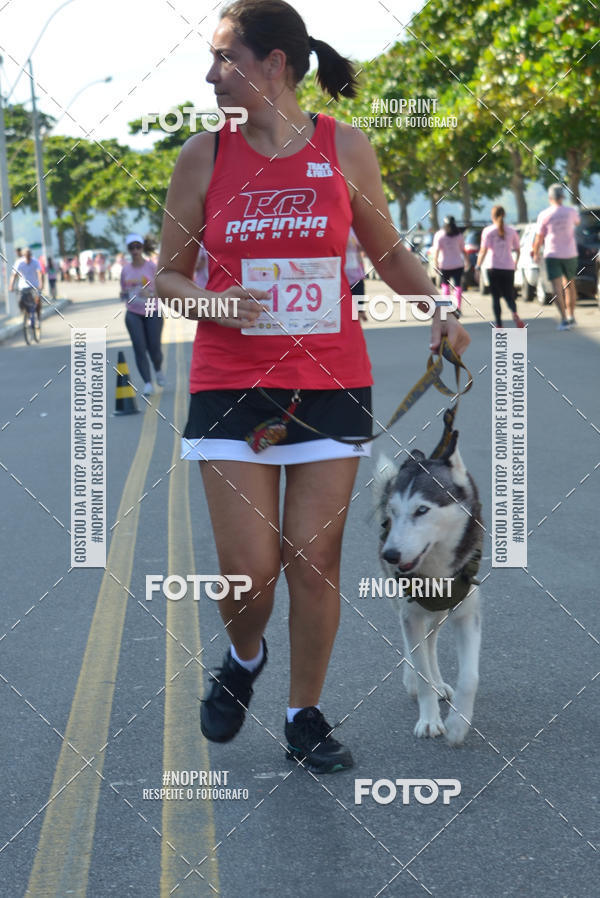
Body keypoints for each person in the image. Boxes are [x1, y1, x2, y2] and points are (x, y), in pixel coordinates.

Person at [155, 0, 470, 774]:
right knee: (248, 570)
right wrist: (214, 303)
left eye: (225, 57)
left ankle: (303, 715)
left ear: (275, 65)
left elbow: (388, 252)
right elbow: (168, 276)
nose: (210, 72)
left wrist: (439, 307)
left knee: (315, 560)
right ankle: (245, 655)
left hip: (330, 384)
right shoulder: (203, 156)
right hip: (230, 386)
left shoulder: (344, 148)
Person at [120, 233, 165, 395]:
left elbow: (162, 290)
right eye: (132, 247)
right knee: (139, 348)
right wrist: (123, 294)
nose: (135, 250)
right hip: (133, 313)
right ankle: (147, 382)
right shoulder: (125, 270)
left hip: (152, 311)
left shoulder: (151, 267)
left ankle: (158, 369)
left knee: (155, 349)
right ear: (128, 250)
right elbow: (123, 291)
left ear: (142, 248)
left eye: (138, 246)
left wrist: (151, 295)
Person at [532, 183, 580, 330]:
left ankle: (564, 319)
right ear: (562, 197)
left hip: (552, 253)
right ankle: (571, 315)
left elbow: (539, 238)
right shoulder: (571, 211)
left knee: (556, 287)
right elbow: (577, 223)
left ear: (550, 198)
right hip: (570, 253)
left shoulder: (544, 214)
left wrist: (535, 252)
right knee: (570, 285)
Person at [476, 206, 524, 328]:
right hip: (508, 267)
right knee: (509, 295)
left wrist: (477, 266)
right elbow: (518, 250)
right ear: (505, 215)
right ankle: (514, 313)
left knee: (496, 297)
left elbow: (483, 251)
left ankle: (499, 324)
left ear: (492, 216)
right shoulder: (512, 231)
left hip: (493, 267)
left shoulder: (488, 231)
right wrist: (516, 263)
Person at [432, 216, 465, 313]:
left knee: (445, 285)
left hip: (444, 265)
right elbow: (463, 249)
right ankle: (457, 307)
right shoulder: (459, 235)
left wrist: (435, 263)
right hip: (458, 264)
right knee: (457, 286)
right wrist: (467, 261)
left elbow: (436, 251)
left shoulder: (439, 234)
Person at [9, 247, 43, 314]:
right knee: (20, 301)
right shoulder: (19, 262)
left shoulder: (35, 261)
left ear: (31, 255)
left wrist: (41, 284)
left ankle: (38, 317)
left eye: (29, 255)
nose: (28, 257)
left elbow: (39, 273)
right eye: (26, 256)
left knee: (37, 301)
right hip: (23, 286)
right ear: (23, 255)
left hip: (34, 286)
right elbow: (14, 275)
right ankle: (25, 313)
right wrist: (11, 286)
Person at [345, 227, 367, 322]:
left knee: (356, 315)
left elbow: (362, 248)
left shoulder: (353, 230)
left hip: (356, 276)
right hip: (341, 277)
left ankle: (359, 314)